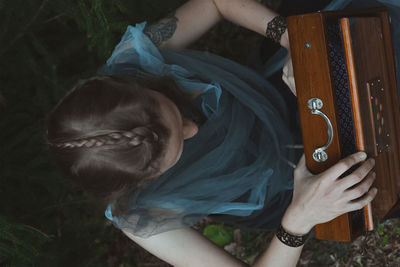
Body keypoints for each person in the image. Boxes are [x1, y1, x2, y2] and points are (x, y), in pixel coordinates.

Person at [46, 0, 400, 266]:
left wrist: (290, 38)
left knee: (367, 40)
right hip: (293, 191)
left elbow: (216, 2)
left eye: (173, 111)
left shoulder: (133, 62)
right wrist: (298, 220)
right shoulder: (140, 218)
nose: (194, 127)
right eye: (178, 147)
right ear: (141, 183)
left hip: (280, 97)